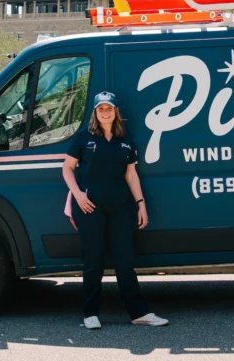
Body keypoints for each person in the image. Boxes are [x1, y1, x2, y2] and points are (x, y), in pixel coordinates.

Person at [62, 91, 168, 329]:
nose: (105, 112)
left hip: (121, 207)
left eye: (109, 108)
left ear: (115, 112)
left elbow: (131, 175)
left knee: (124, 261)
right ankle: (91, 314)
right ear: (95, 112)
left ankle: (139, 313)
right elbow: (67, 168)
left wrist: (141, 204)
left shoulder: (125, 141)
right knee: (93, 260)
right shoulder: (84, 138)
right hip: (89, 207)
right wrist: (78, 195)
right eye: (101, 109)